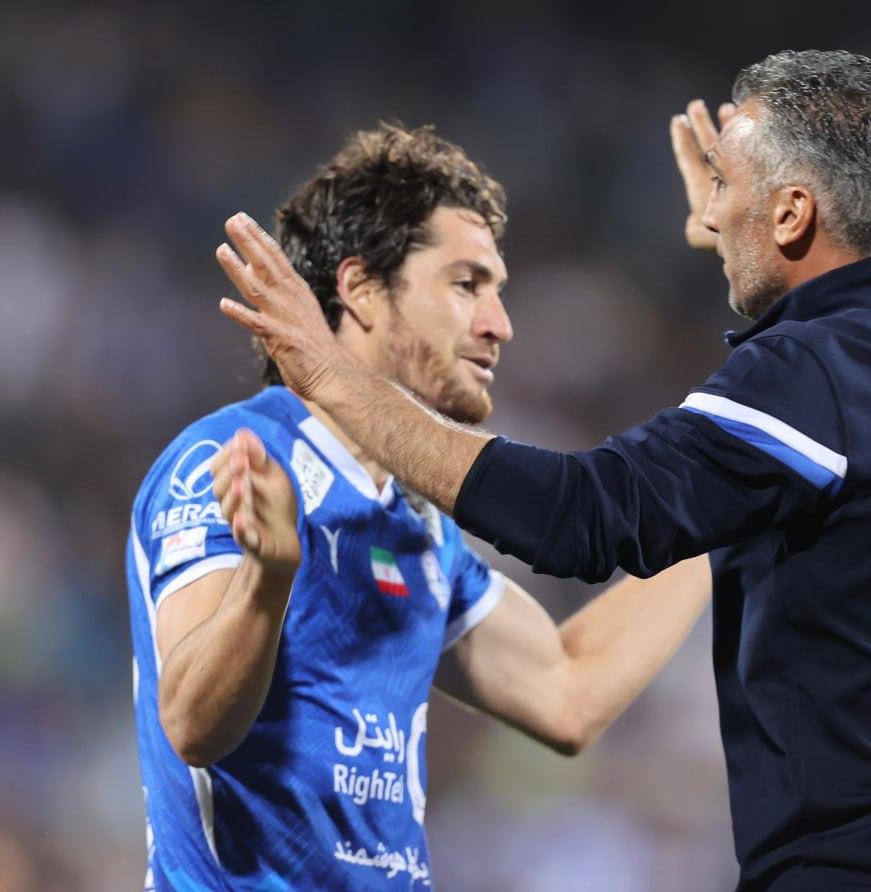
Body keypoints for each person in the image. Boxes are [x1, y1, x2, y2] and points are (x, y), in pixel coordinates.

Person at [217, 50, 871, 890]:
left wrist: (336, 377)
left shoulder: (809, 379)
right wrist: (757, 253)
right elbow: (816, 418)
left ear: (793, 213)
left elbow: (581, 516)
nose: (713, 209)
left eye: (727, 186)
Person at [127, 122, 712, 890]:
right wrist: (267, 581)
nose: (499, 324)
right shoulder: (231, 457)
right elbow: (191, 723)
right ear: (362, 290)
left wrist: (725, 506)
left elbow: (567, 689)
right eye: (467, 285)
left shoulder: (418, 524)